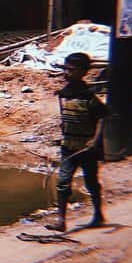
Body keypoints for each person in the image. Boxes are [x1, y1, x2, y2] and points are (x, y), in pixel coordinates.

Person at [48, 51, 109, 232]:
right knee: (62, 182)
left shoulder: (88, 96)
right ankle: (61, 220)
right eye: (65, 69)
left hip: (86, 148)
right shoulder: (64, 94)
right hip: (68, 147)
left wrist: (94, 141)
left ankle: (98, 215)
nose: (67, 73)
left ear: (83, 72)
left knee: (91, 182)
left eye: (71, 70)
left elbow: (104, 117)